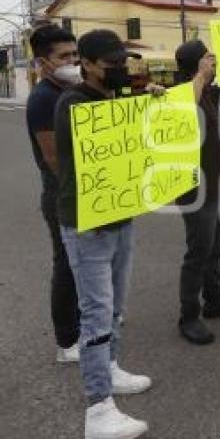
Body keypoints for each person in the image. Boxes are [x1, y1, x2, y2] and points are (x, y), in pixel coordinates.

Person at [54, 30, 153, 439]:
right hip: (88, 225)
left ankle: (110, 369)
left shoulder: (112, 100)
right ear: (89, 64)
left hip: (120, 217)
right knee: (95, 314)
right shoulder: (73, 103)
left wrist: (152, 105)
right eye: (111, 62)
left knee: (114, 307)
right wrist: (139, 106)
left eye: (122, 61)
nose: (120, 68)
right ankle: (98, 409)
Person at [173, 40, 220, 346]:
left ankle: (214, 301)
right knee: (198, 252)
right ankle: (189, 316)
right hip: (194, 188)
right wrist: (200, 76)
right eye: (208, 58)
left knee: (217, 244)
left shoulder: (208, 91)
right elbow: (185, 110)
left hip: (216, 185)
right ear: (195, 63)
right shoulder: (179, 93)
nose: (213, 62)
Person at [25, 24, 82, 364]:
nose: (73, 61)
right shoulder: (43, 99)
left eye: (75, 54)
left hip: (87, 188)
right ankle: (67, 340)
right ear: (43, 63)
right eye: (64, 56)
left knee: (89, 263)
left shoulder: (78, 90)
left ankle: (89, 319)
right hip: (62, 193)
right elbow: (52, 158)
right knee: (67, 264)